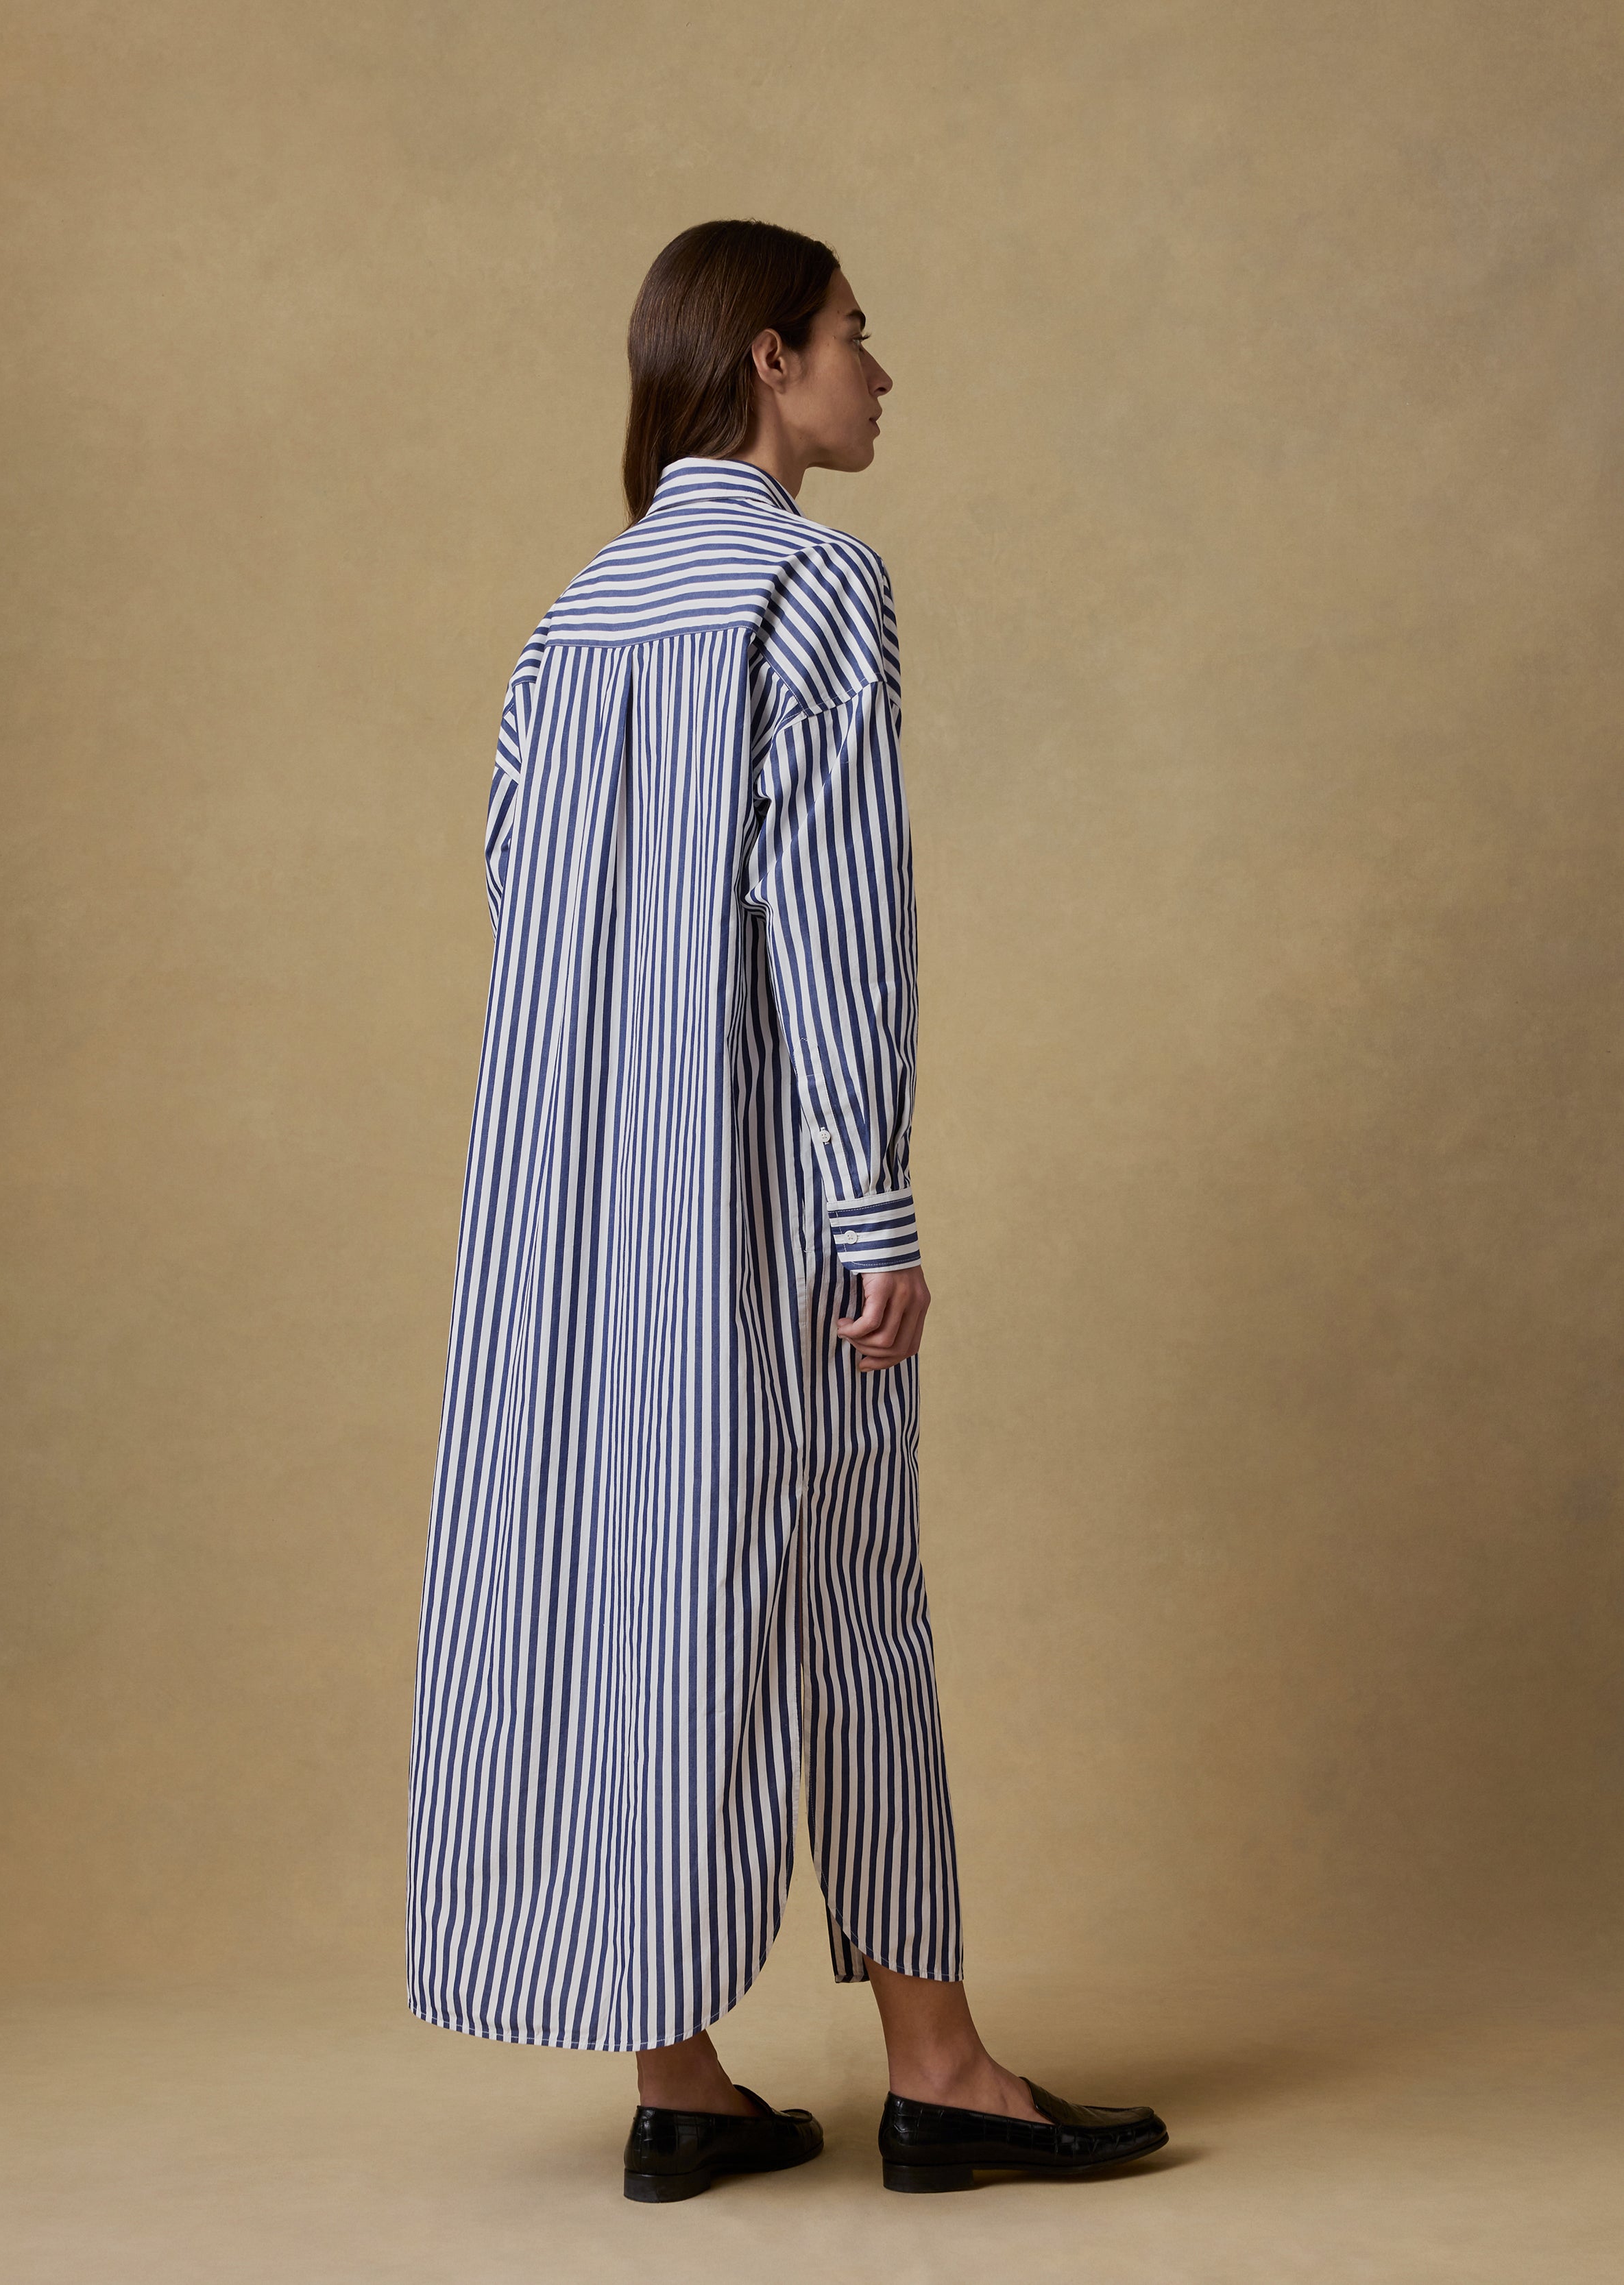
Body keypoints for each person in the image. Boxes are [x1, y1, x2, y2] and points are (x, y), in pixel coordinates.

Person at [404, 217, 1167, 2201]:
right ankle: (942, 2072)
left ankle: (678, 2082)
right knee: (845, 1597)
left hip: (562, 1194)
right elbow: (835, 923)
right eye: (850, 335)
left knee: (613, 1582)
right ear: (762, 361)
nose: (877, 371)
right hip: (753, 1187)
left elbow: (510, 873)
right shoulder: (814, 584)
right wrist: (874, 1205)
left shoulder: (574, 613)